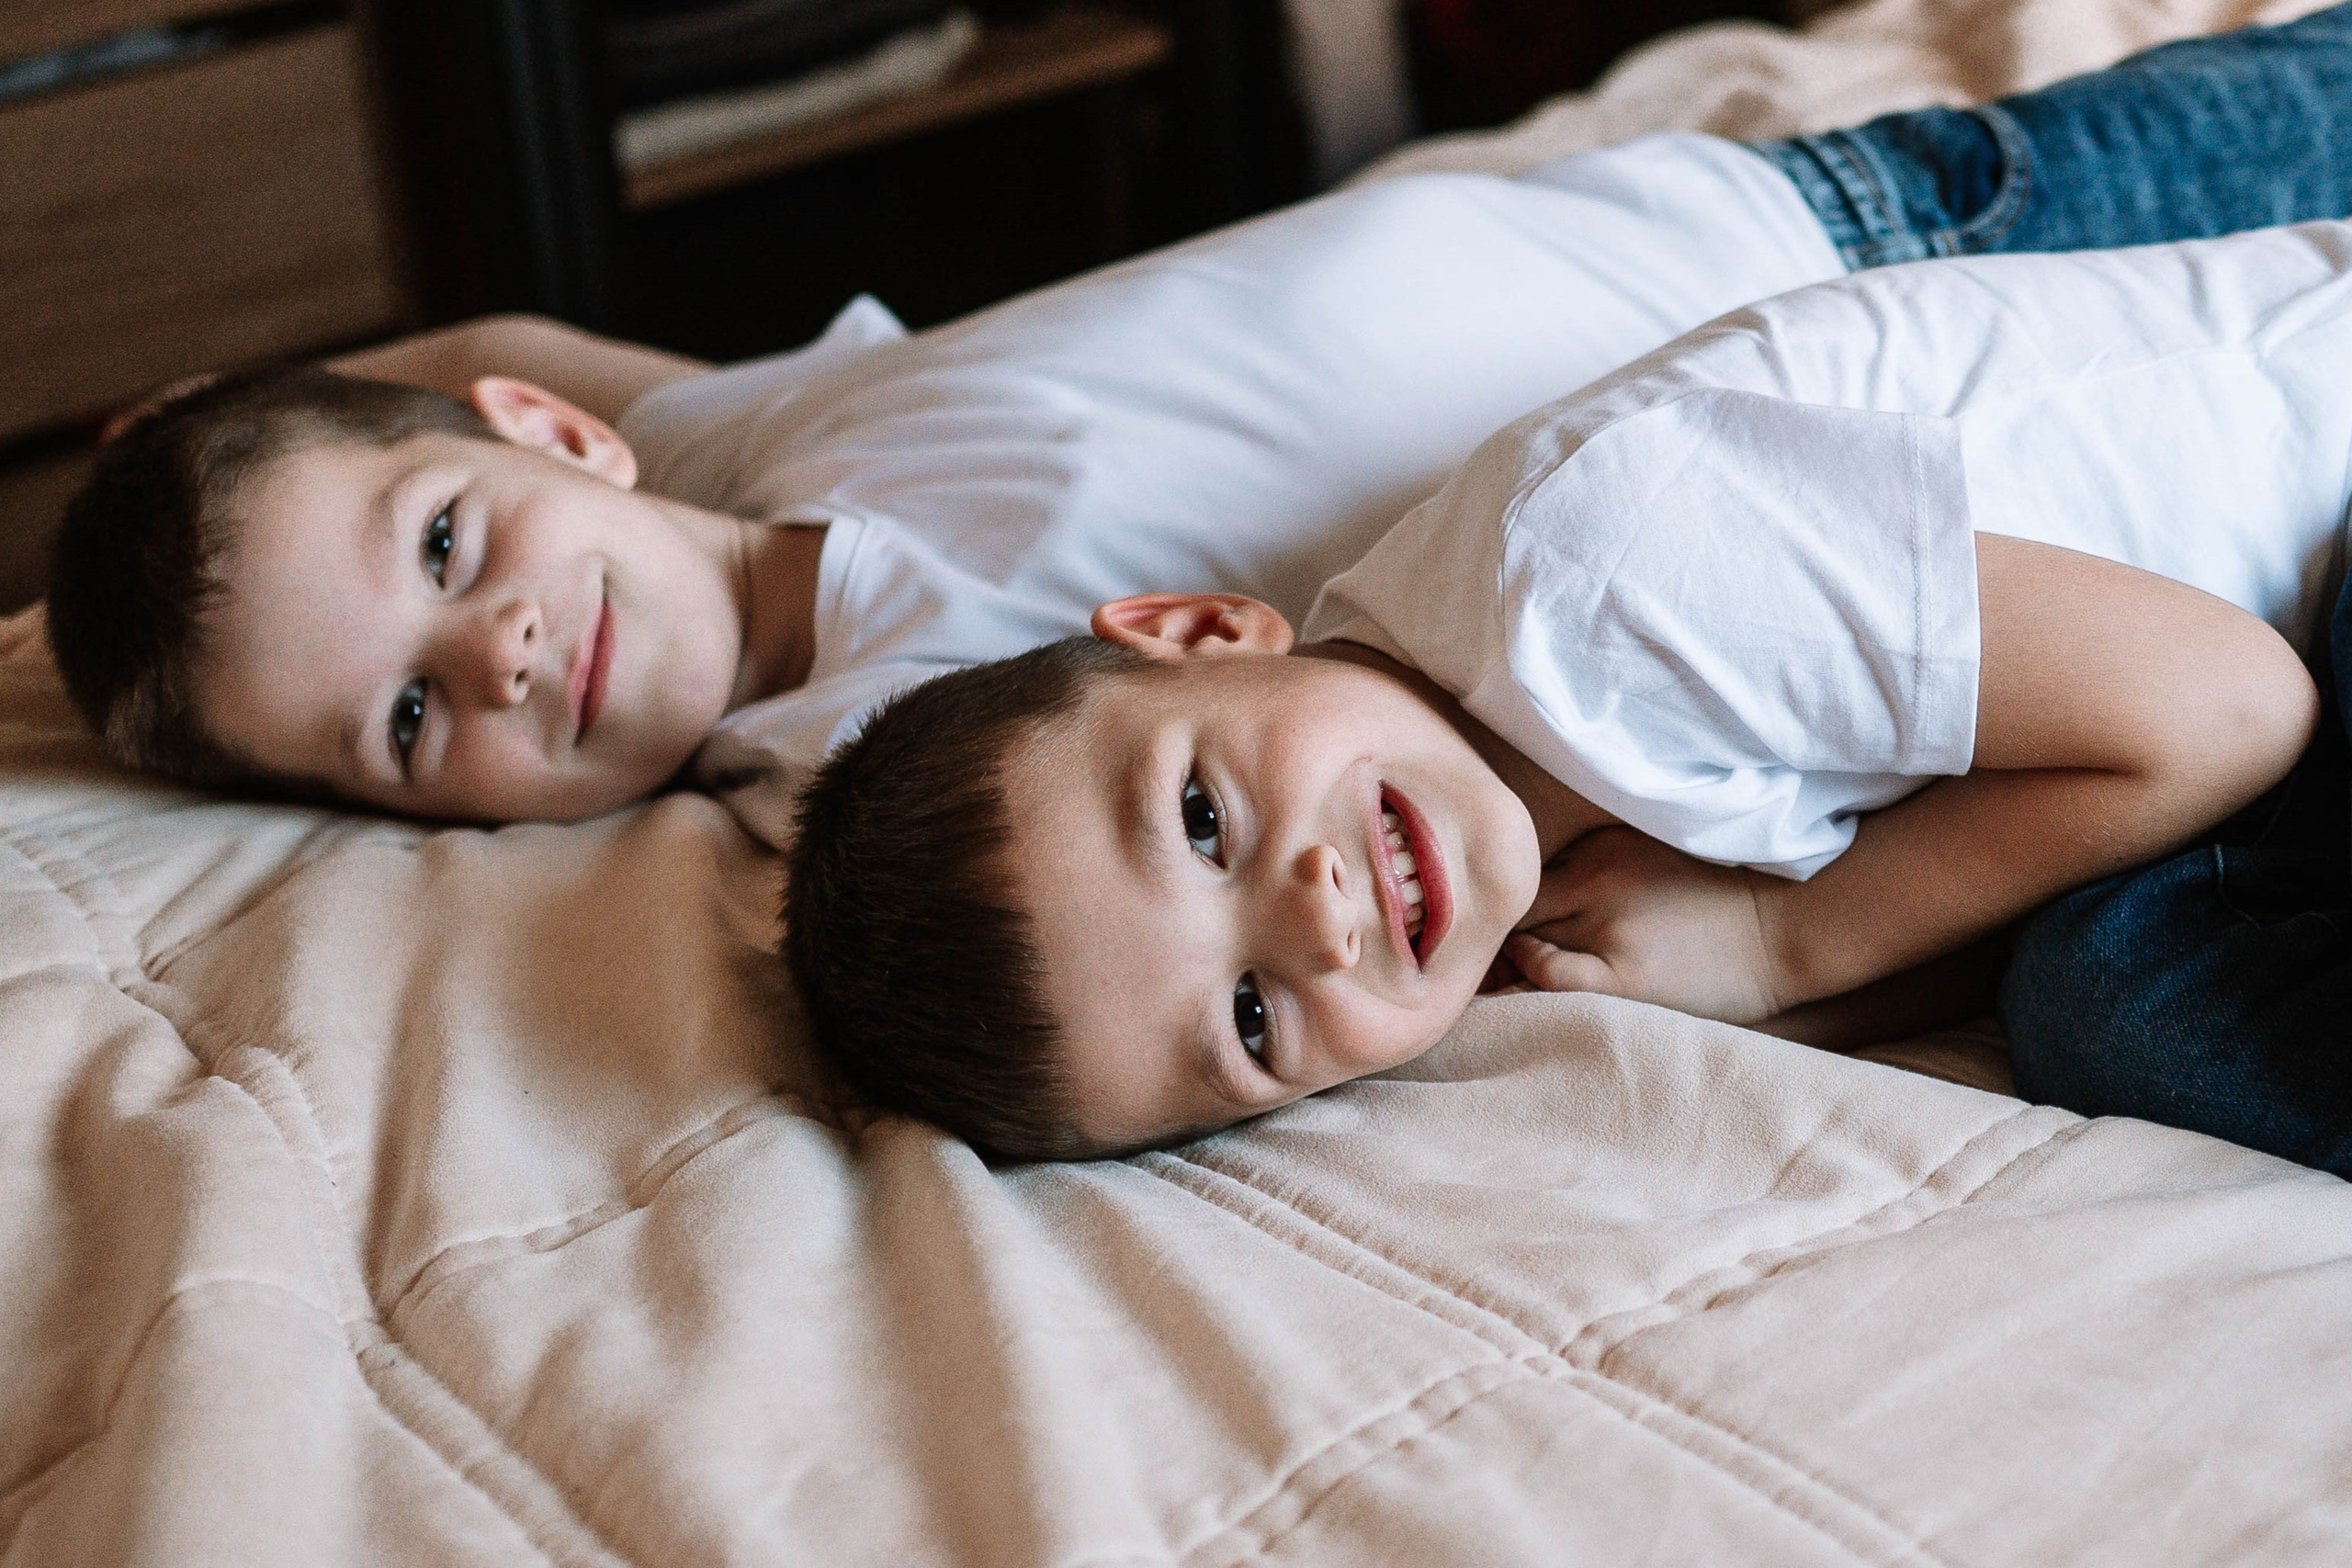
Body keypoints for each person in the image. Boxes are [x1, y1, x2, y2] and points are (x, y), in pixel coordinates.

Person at [43, 7, 2352, 848]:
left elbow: (512, 332)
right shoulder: (871, 771)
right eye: (405, 723)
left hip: (1850, 209)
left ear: (546, 438)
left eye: (447, 550)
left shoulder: (759, 435)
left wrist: (176, 445)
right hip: (1934, 463)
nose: (501, 655)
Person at [784, 217, 2352, 1163]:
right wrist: (1789, 982)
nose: (1315, 917)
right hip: (2222, 684)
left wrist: (1785, 943)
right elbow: (1979, 907)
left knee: (2139, 1025)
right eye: (1253, 1018)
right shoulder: (1508, 861)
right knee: (2105, 1015)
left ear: (1204, 633)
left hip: (2306, 527)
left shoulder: (1609, 582)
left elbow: (2233, 711)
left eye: (1201, 820)